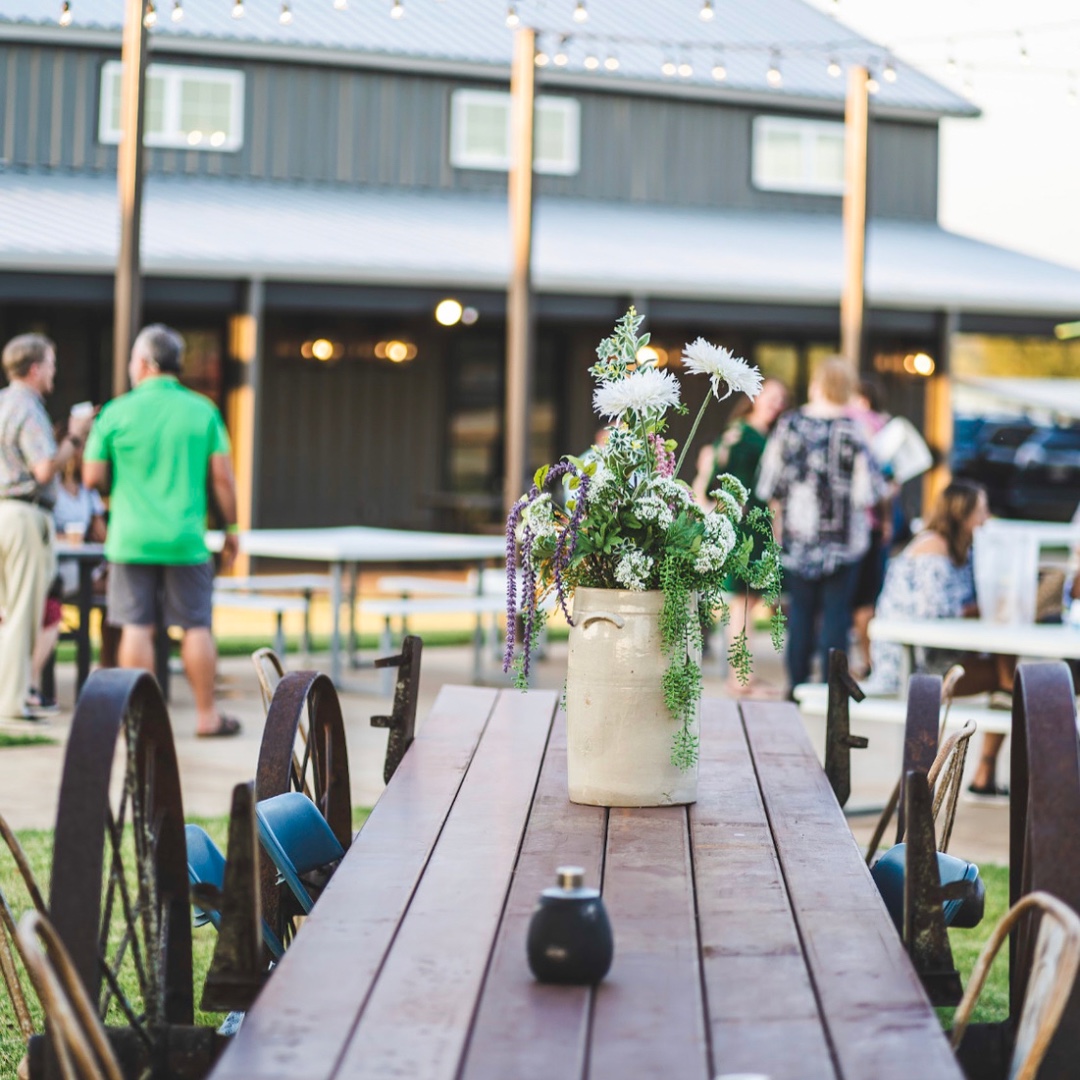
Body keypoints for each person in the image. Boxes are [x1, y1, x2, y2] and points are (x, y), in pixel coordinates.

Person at [83, 324, 242, 737]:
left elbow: (91, 475)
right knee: (195, 626)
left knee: (136, 627)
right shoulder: (202, 410)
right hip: (185, 539)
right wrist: (234, 528)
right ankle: (207, 715)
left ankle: (144, 723)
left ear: (145, 363)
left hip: (130, 538)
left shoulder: (116, 412)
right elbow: (223, 479)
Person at [868, 479, 1014, 798]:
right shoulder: (933, 546)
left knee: (1011, 675)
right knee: (1015, 682)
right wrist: (981, 608)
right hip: (914, 666)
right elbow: (933, 616)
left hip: (937, 657)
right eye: (981, 511)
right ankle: (990, 768)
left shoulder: (963, 549)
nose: (986, 518)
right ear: (961, 514)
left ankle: (987, 768)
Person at [756, 356, 887, 694]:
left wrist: (777, 525)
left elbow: (770, 484)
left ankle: (796, 686)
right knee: (836, 616)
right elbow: (869, 491)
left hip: (798, 537)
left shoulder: (790, 425)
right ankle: (832, 689)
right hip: (844, 542)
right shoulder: (853, 431)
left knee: (800, 613)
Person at [0, 333, 94, 720]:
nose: (54, 372)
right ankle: (12, 703)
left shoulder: (3, 403)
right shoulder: (29, 407)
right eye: (52, 364)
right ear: (35, 368)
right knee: (25, 611)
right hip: (25, 514)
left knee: (7, 610)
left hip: (3, 512)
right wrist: (75, 435)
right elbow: (43, 469)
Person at [692, 377, 789, 692]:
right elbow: (715, 481)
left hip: (759, 528)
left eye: (781, 398)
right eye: (770, 396)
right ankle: (739, 676)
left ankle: (742, 671)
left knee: (751, 603)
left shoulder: (764, 434)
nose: (776, 403)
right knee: (741, 606)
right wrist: (734, 506)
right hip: (743, 528)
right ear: (756, 397)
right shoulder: (741, 433)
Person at [28, 447, 110, 711]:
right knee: (46, 609)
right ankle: (28, 684)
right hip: (52, 567)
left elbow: (101, 534)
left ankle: (109, 678)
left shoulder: (88, 493)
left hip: (81, 568)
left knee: (120, 599)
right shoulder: (48, 490)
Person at [846, 378, 895, 677]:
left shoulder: (855, 422)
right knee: (868, 599)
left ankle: (850, 660)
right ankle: (870, 659)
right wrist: (888, 519)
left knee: (849, 599)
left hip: (851, 525)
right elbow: (890, 485)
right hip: (875, 524)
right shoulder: (887, 427)